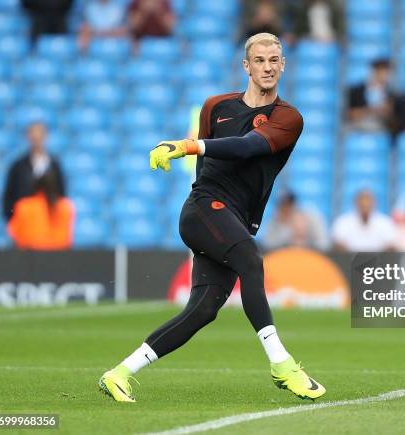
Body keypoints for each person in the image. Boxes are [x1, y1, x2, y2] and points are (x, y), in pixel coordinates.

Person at [98, 33, 325, 403]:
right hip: (204, 209)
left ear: (283, 65)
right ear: (246, 66)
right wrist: (200, 178)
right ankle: (282, 365)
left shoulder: (288, 117)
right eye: (260, 60)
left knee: (203, 309)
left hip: (232, 219)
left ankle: (120, 373)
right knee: (251, 259)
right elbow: (206, 165)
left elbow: (246, 147)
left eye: (274, 60)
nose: (267, 67)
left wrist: (187, 145)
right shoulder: (215, 106)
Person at [2, 122, 66, 221]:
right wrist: (14, 218)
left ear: (45, 137)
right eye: (33, 137)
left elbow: (61, 194)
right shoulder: (18, 166)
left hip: (50, 223)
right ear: (28, 137)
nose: (36, 140)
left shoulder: (54, 165)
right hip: (25, 223)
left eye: (39, 136)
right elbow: (9, 195)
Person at [7, 170, 74, 250]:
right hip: (59, 257)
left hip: (29, 257)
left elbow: (13, 232)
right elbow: (67, 239)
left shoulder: (24, 206)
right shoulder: (65, 207)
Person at [261, 191, 329, 251]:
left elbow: (323, 245)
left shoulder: (311, 217)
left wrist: (304, 241)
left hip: (310, 259)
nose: (286, 209)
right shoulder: (274, 222)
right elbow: (267, 245)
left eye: (289, 205)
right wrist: (289, 234)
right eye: (283, 205)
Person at [331, 189, 396, 252]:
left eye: (368, 201)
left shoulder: (385, 222)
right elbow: (338, 246)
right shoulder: (342, 222)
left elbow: (391, 246)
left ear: (374, 203)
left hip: (379, 262)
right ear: (355, 203)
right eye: (362, 201)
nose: (365, 204)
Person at [346, 58, 396, 132]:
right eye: (381, 71)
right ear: (374, 71)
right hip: (358, 129)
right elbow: (350, 114)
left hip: (380, 129)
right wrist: (371, 110)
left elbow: (393, 120)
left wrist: (387, 112)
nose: (384, 76)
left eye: (386, 72)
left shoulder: (391, 95)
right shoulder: (356, 91)